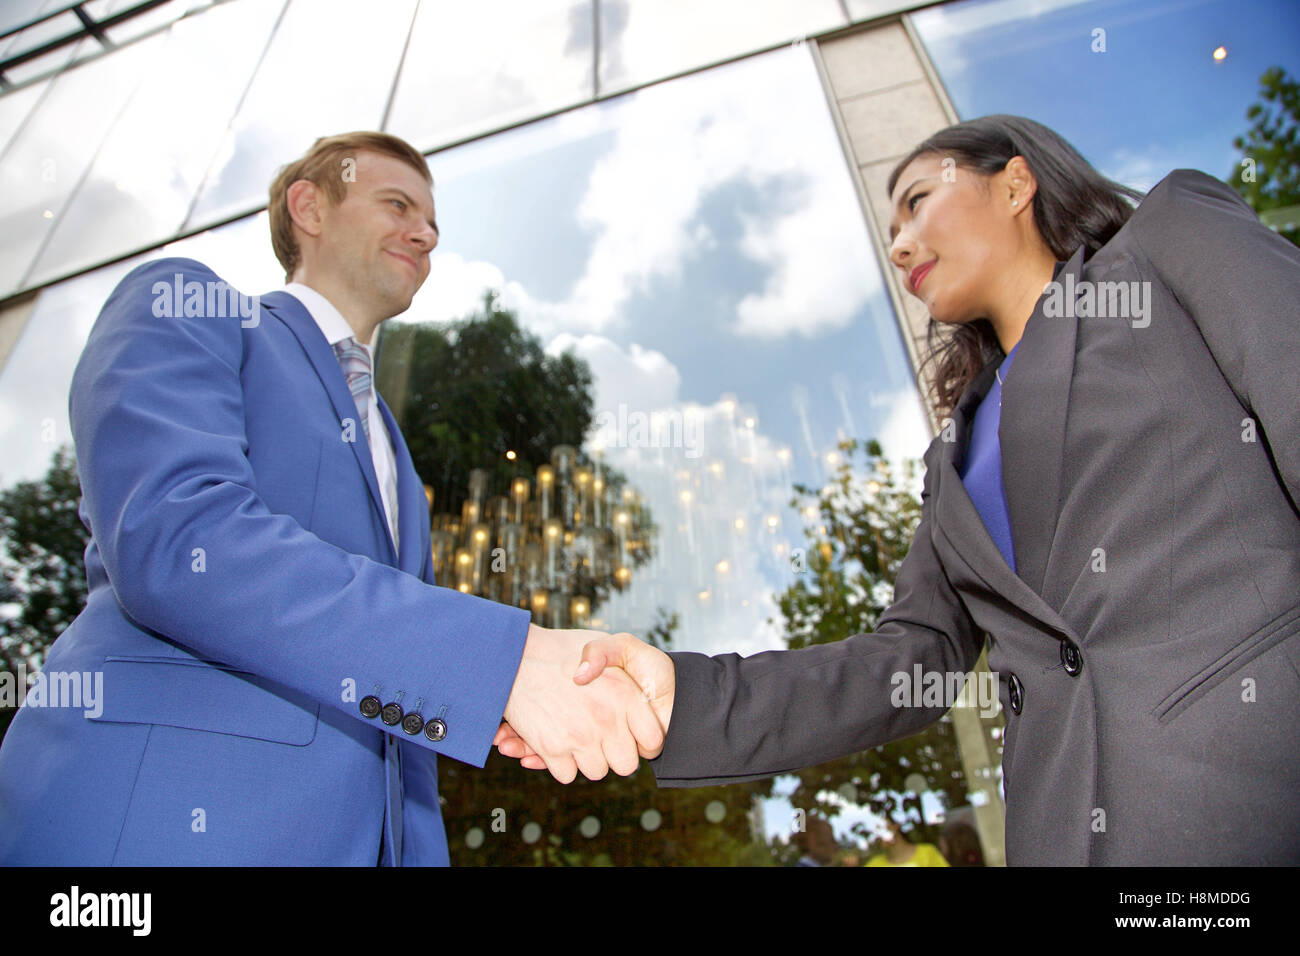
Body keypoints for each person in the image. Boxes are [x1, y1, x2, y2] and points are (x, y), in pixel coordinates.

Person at [496, 115, 1300, 866]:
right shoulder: (950, 464)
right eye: (891, 233)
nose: (901, 244)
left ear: (1016, 184)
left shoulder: (1167, 243)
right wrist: (682, 697)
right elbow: (908, 664)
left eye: (918, 203)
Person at [0, 131, 666, 866]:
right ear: (309, 206)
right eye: (398, 204)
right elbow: (181, 540)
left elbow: (395, 711)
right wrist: (504, 664)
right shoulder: (186, 304)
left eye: (434, 224)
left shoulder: (399, 459)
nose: (425, 233)